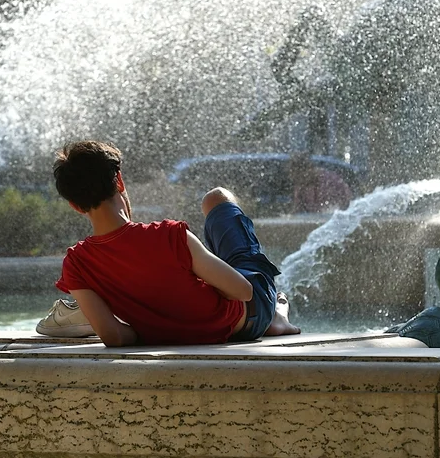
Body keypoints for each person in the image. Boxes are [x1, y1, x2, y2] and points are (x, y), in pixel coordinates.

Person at [39, 140, 300, 346]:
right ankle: (276, 316)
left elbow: (114, 336)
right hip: (250, 319)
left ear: (74, 205)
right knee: (216, 198)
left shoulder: (76, 264)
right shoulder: (169, 235)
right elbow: (244, 292)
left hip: (199, 332)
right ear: (119, 181)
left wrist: (163, 327)